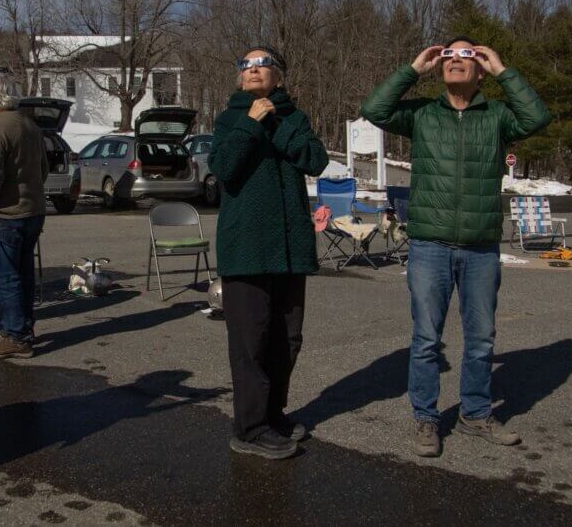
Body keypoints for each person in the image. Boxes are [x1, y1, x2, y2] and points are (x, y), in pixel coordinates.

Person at [361, 37, 551, 458]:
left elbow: (537, 117)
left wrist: (504, 70)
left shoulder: (498, 115)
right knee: (427, 338)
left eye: (467, 55)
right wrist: (413, 69)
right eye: (450, 55)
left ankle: (476, 414)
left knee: (481, 338)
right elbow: (374, 110)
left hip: (481, 246)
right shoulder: (423, 114)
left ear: (480, 69)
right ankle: (426, 418)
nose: (456, 60)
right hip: (430, 243)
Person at [209, 45, 328, 460]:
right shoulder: (229, 120)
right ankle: (249, 427)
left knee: (287, 339)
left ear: (279, 75)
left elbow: (315, 159)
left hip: (290, 248)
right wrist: (251, 123)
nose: (253, 69)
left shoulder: (294, 118)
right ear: (240, 76)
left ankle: (272, 413)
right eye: (246, 64)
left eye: (263, 64)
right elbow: (223, 167)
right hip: (245, 246)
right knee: (250, 340)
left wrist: (276, 122)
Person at [0, 71, 48, 359]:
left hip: (4, 215)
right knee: (23, 274)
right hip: (32, 211)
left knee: (4, 277)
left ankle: (15, 336)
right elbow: (42, 170)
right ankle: (23, 330)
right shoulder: (30, 126)